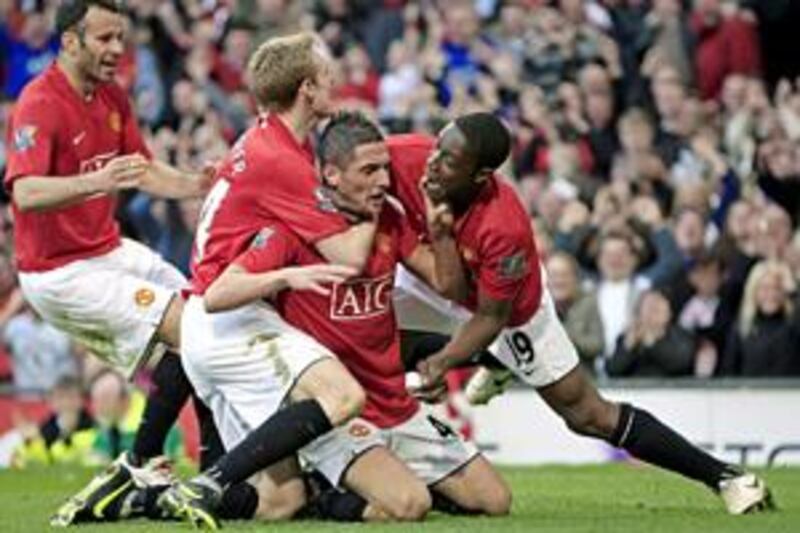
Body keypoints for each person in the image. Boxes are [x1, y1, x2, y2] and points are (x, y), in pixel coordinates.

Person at [387, 112, 773, 515]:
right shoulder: (405, 157)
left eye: (449, 161)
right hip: (430, 274)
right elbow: (345, 161)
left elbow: (491, 317)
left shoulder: (504, 228)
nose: (432, 164)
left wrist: (444, 362)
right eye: (437, 150)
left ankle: (727, 478)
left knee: (587, 415)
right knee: (366, 329)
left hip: (505, 310)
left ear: (482, 175)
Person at [198, 111, 510, 525]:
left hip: (392, 399)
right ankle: (320, 496)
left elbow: (446, 284)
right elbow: (218, 294)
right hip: (338, 406)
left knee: (493, 500)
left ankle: (351, 481)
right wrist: (286, 276)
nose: (384, 180)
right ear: (331, 175)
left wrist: (440, 236)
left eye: (384, 167)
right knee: (409, 504)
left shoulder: (391, 218)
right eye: (369, 170)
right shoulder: (293, 227)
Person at [3, 1, 212, 525]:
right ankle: (140, 465)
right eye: (104, 39)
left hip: (109, 250)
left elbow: (139, 170)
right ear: (70, 41)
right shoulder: (39, 101)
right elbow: (25, 192)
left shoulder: (113, 94)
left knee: (212, 322)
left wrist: (196, 184)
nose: (117, 50)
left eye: (120, 38)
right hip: (58, 271)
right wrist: (96, 181)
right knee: (193, 333)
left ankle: (214, 467)